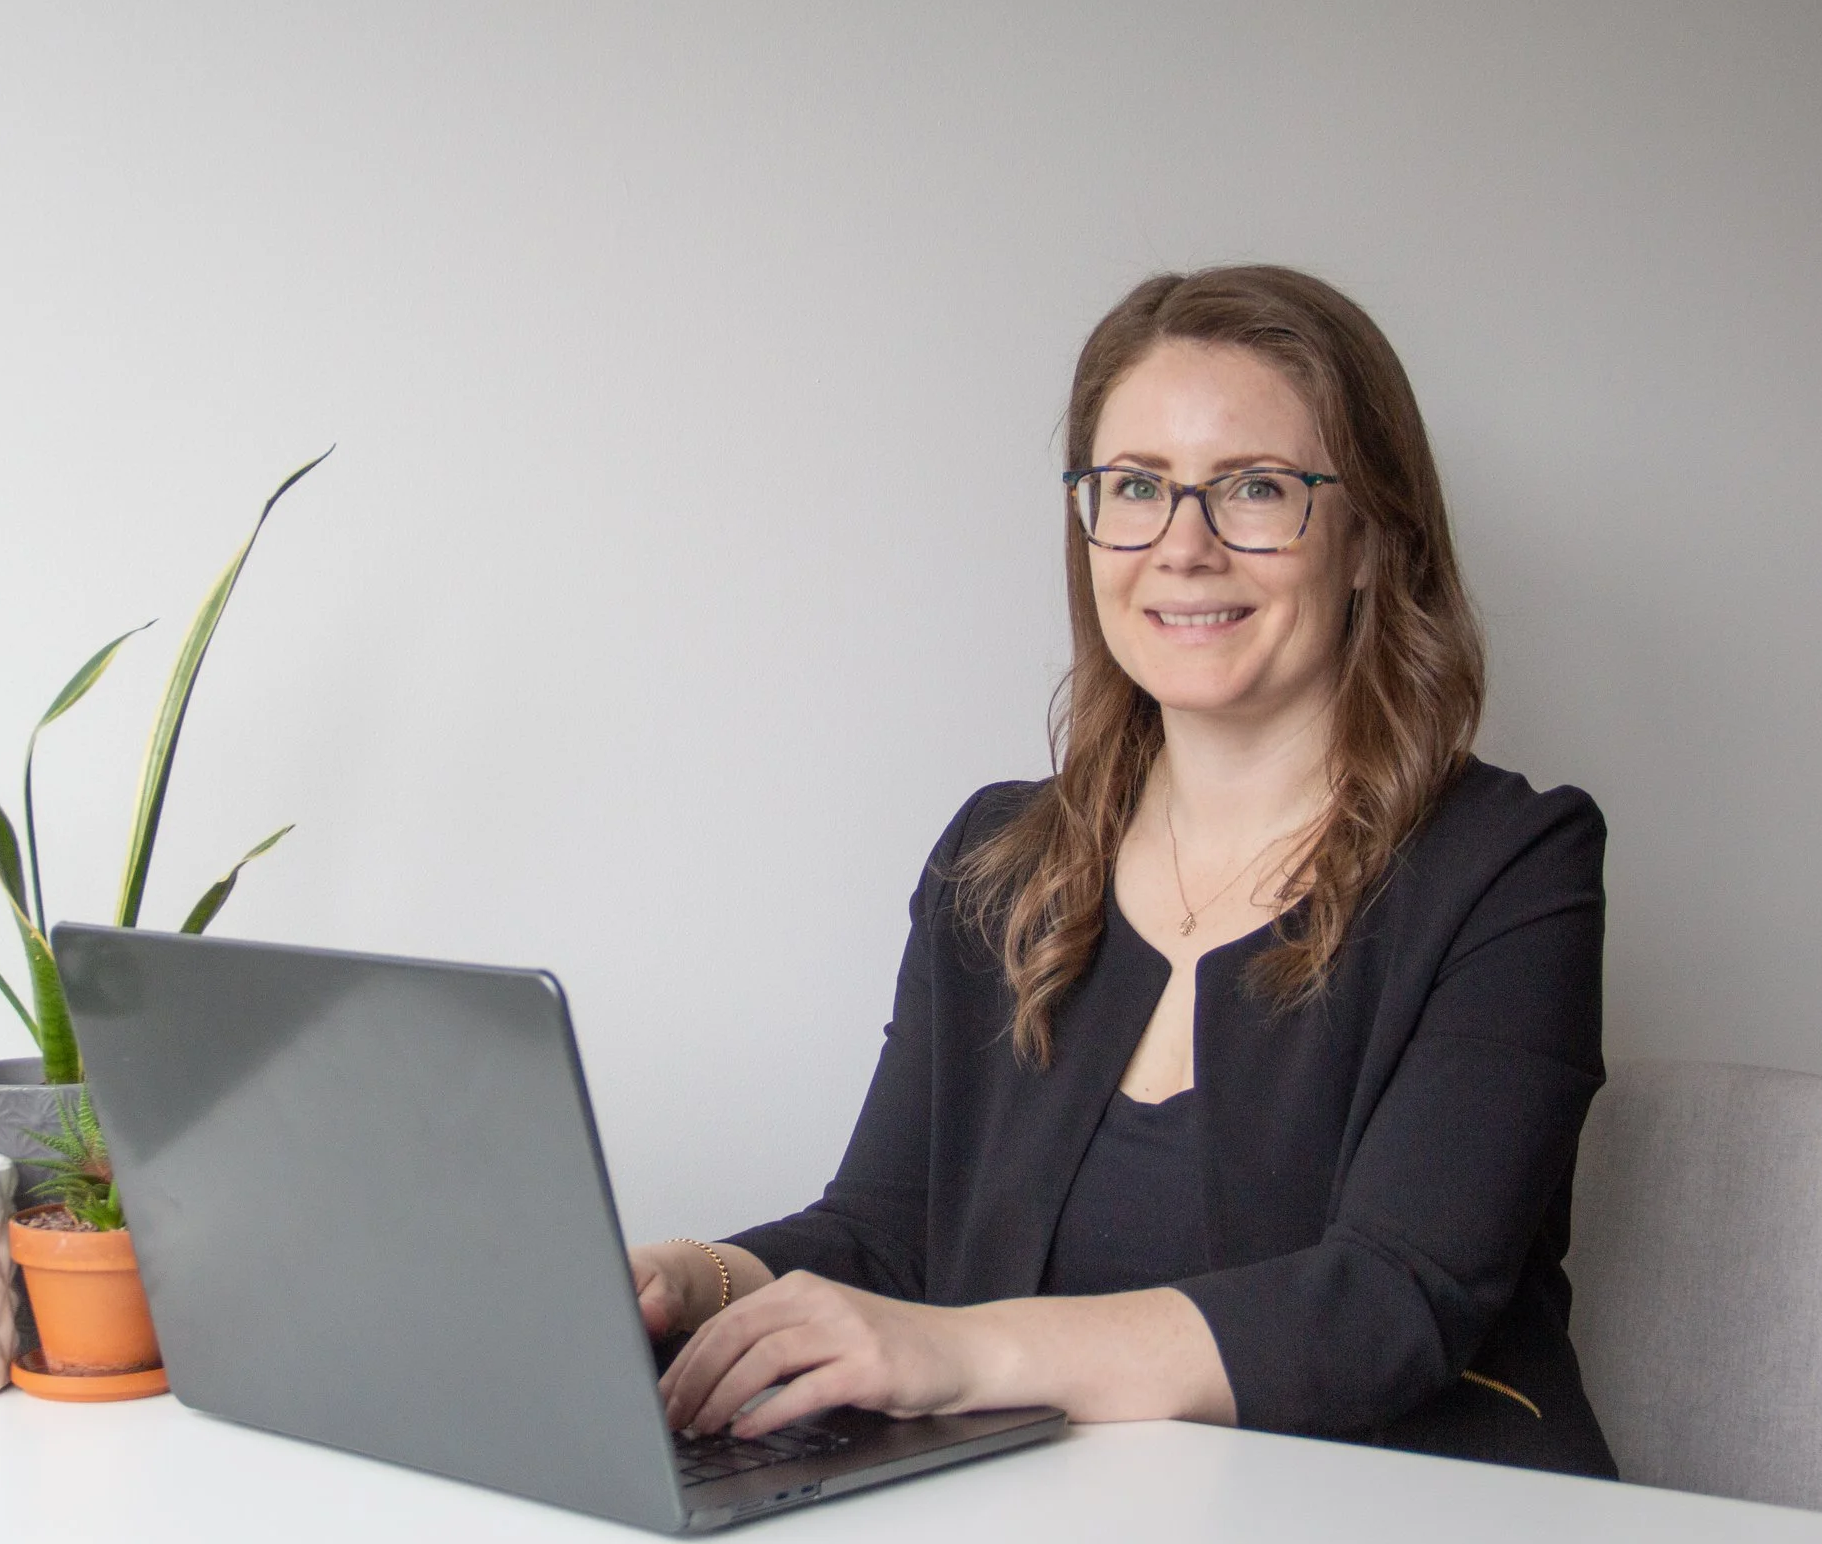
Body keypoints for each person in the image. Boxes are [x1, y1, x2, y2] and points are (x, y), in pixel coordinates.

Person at [631, 265, 1617, 1478]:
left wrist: (964, 1352)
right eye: (1136, 488)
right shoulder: (997, 864)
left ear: (1367, 538)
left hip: (1411, 1532)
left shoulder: (1513, 865)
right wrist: (695, 1279)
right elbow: (886, 1239)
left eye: (1257, 488)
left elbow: (1390, 1303)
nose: (1183, 547)